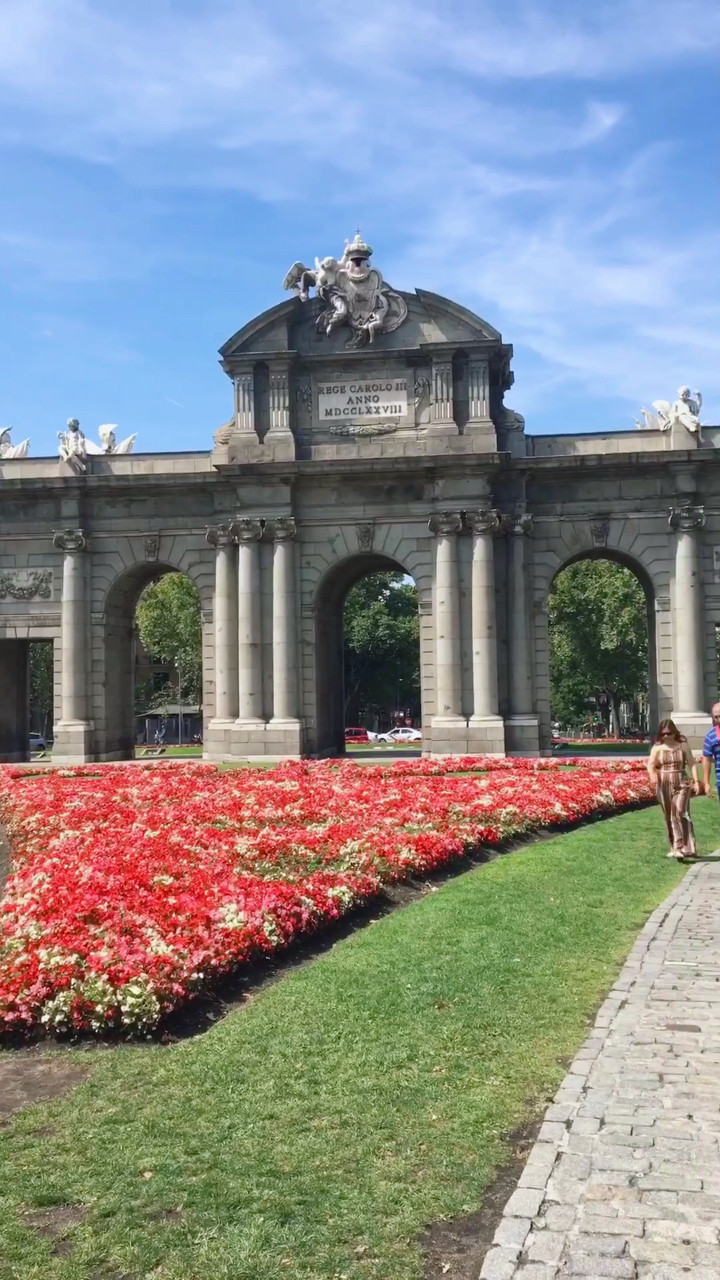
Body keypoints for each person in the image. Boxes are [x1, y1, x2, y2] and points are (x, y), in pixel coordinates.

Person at [647, 719, 699, 859]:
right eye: (663, 734)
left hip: (681, 782)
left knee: (679, 811)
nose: (665, 736)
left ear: (674, 732)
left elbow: (692, 764)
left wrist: (696, 781)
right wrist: (653, 775)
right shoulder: (657, 748)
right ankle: (678, 846)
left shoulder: (682, 746)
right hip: (664, 784)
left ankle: (680, 846)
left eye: (668, 733)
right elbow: (651, 765)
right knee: (669, 814)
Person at [701, 702, 720, 800]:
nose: (718, 720)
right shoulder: (711, 735)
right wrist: (706, 783)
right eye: (716, 717)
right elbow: (706, 759)